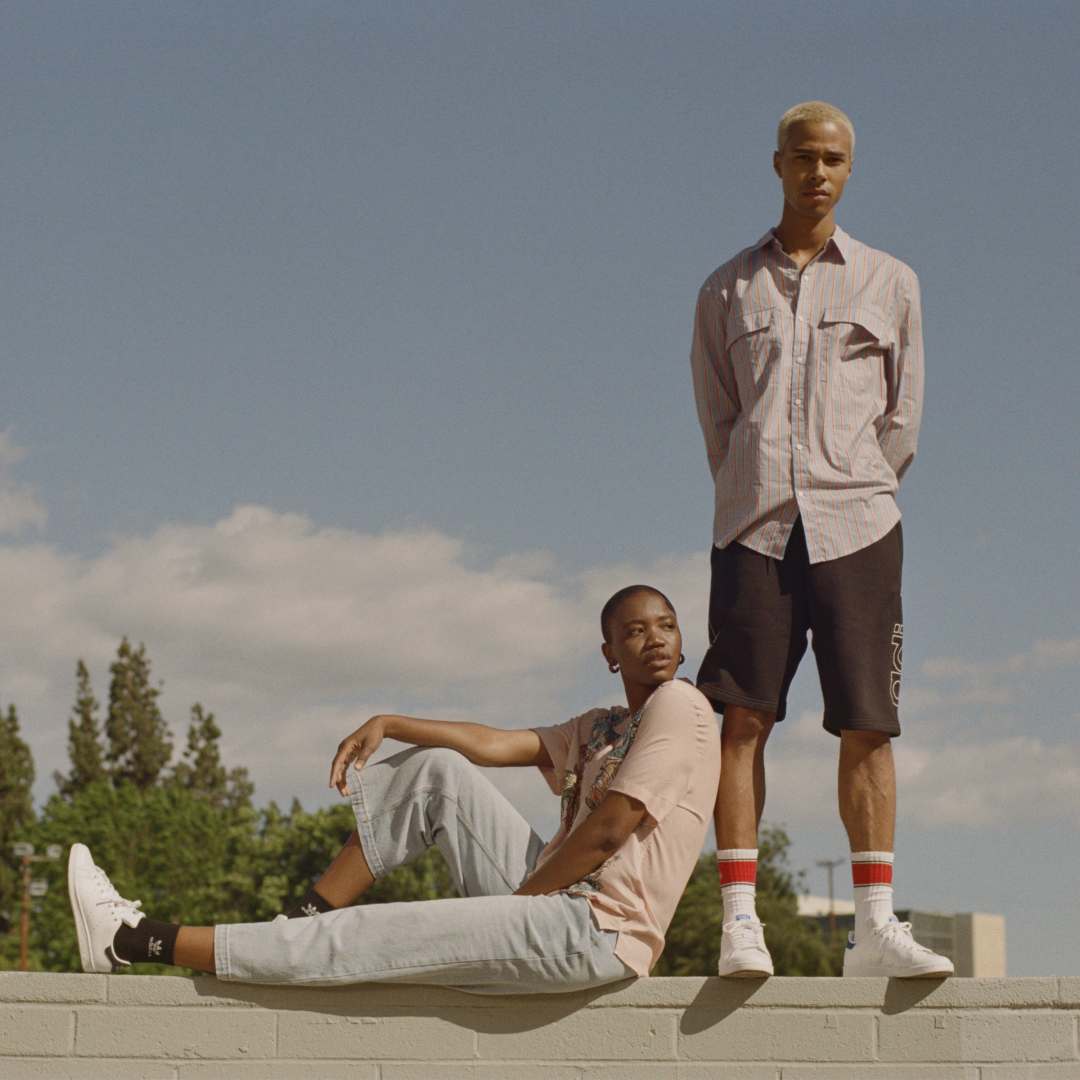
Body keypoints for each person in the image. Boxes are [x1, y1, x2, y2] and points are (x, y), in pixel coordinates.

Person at [68, 586, 720, 991]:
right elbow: (495, 744)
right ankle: (299, 921)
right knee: (437, 770)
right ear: (609, 652)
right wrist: (390, 722)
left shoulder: (681, 705)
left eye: (665, 625)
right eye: (635, 630)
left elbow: (610, 830)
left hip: (596, 929)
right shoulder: (603, 726)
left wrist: (517, 906)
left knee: (367, 936)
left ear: (681, 640)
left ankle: (132, 938)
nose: (654, 639)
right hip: (554, 903)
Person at [690, 101, 952, 979]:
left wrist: (856, 482)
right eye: (803, 157)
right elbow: (720, 419)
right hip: (754, 528)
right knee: (741, 719)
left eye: (833, 159)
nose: (818, 172)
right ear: (777, 164)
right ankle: (739, 920)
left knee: (869, 723)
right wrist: (759, 483)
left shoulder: (891, 281)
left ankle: (872, 928)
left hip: (859, 526)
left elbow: (903, 416)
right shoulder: (725, 289)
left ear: (850, 168)